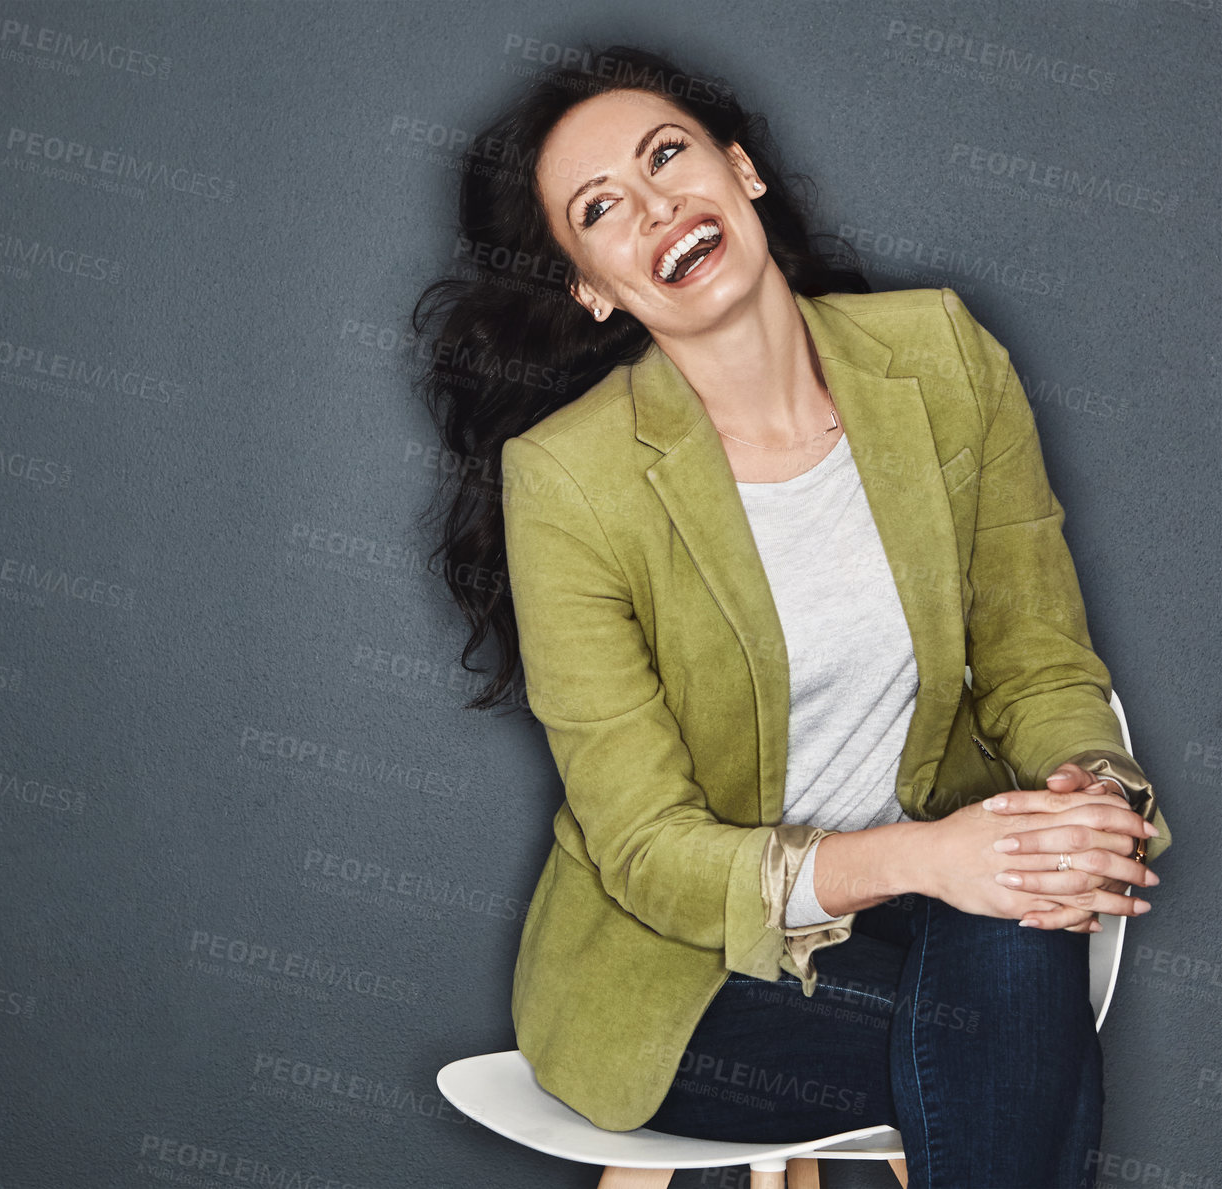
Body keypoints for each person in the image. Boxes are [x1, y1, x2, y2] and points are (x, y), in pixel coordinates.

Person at [410, 45, 1172, 1188]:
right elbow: (647, 852)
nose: (657, 202)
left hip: (935, 915)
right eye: (602, 208)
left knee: (1013, 929)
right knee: (1005, 1039)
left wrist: (1090, 797)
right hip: (687, 971)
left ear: (741, 167)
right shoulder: (567, 481)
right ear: (593, 287)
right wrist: (938, 855)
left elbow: (1037, 660)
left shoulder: (941, 353)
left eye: (666, 154)